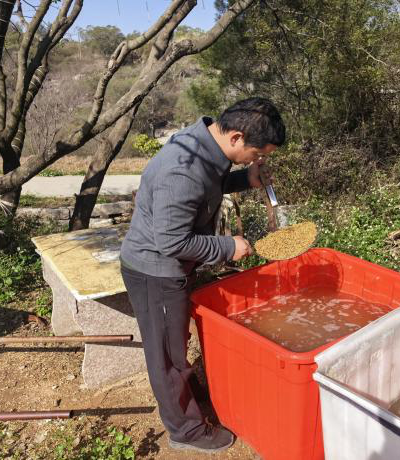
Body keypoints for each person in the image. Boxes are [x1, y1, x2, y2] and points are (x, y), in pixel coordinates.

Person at [119, 97, 285, 453]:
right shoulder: (181, 170)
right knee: (166, 356)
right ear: (237, 137)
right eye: (256, 155)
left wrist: (244, 179)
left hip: (170, 265)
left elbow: (206, 185)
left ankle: (186, 395)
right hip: (155, 270)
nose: (256, 160)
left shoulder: (205, 142)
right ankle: (185, 430)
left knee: (175, 344)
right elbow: (171, 242)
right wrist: (228, 247)